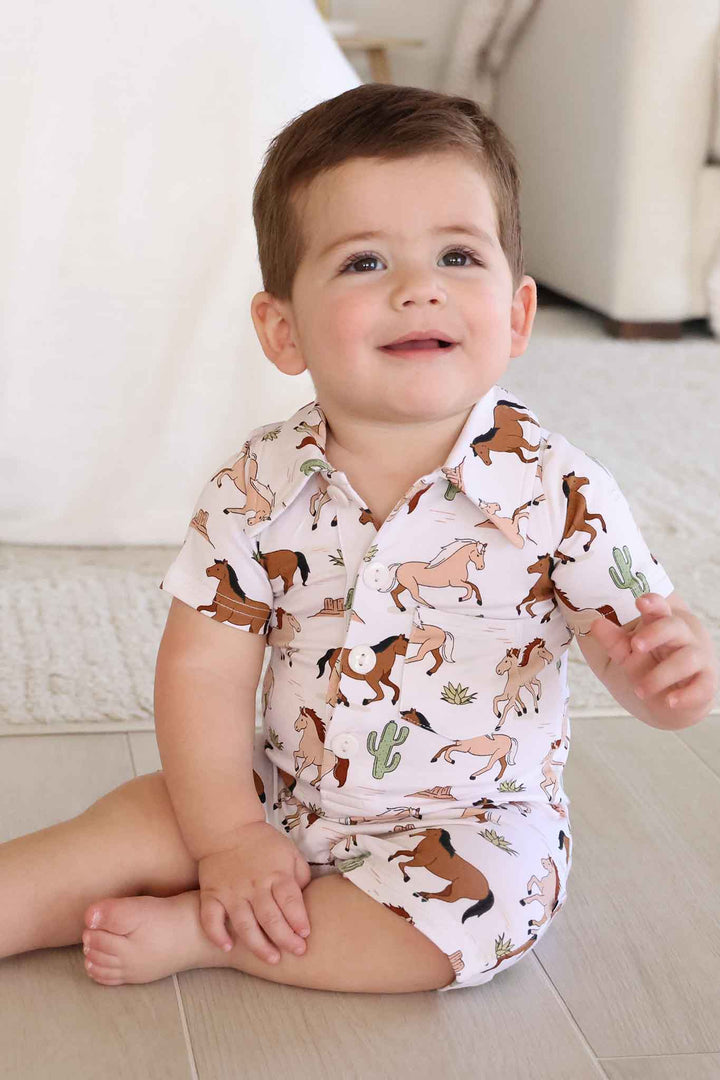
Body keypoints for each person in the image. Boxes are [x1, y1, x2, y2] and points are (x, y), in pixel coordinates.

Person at [2, 83, 717, 994]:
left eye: (458, 255)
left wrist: (672, 681)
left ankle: (212, 935)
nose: (420, 287)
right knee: (133, 825)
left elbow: (633, 649)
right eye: (365, 263)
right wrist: (230, 835)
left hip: (468, 820)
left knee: (489, 909)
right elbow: (202, 671)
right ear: (283, 330)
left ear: (518, 315)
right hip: (282, 790)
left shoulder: (559, 488)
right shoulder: (256, 488)